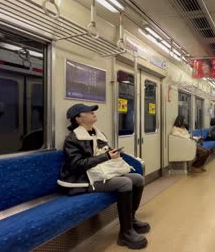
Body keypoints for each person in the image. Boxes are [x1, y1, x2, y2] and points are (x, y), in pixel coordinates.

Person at [59, 104, 150, 249]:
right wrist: (106, 156)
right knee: (125, 183)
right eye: (88, 112)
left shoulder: (98, 134)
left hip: (102, 174)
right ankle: (125, 234)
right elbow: (76, 166)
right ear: (79, 119)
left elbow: (104, 155)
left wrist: (112, 155)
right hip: (85, 180)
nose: (92, 113)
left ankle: (131, 220)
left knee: (138, 179)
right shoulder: (72, 139)